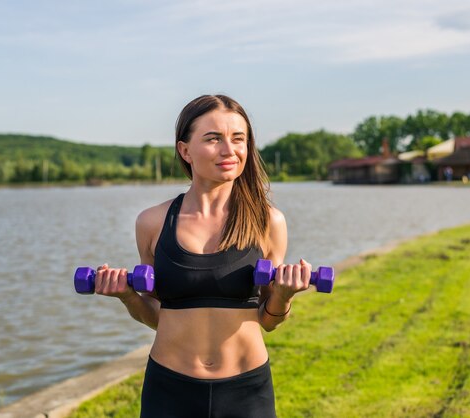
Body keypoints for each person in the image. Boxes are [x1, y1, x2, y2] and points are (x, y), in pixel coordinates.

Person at [93, 94, 313, 417]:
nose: (229, 150)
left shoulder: (268, 222)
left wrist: (283, 295)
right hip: (169, 389)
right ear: (185, 150)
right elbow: (157, 314)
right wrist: (128, 296)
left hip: (246, 391)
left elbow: (269, 320)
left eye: (239, 139)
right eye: (213, 139)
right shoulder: (152, 223)